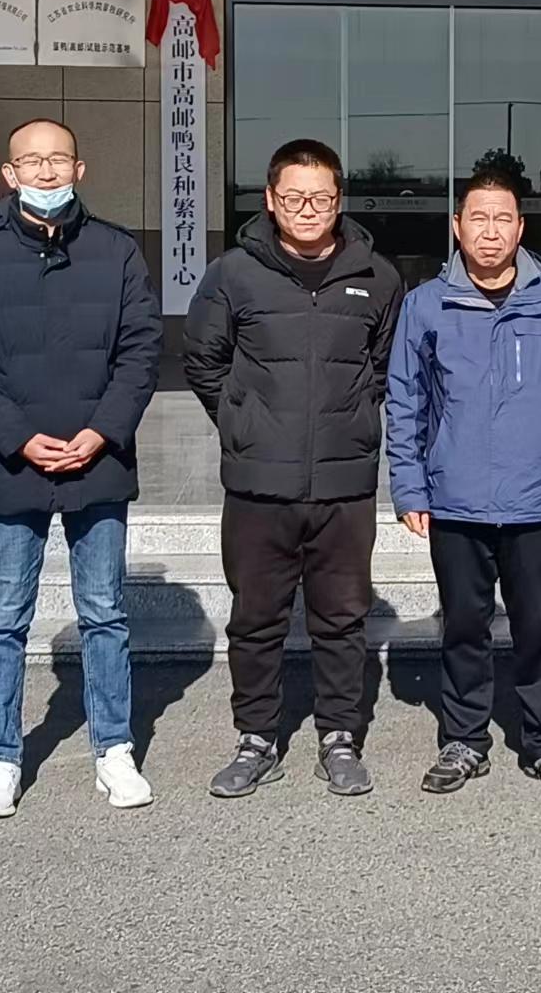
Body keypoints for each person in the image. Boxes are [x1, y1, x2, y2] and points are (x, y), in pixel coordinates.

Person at [0, 118, 162, 819]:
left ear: (79, 168)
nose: (45, 172)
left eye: (57, 159)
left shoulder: (116, 251)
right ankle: (1, 759)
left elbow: (140, 350)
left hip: (99, 459)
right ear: (9, 175)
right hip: (15, 462)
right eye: (30, 162)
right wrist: (18, 436)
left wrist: (101, 431)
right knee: (5, 618)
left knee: (104, 613)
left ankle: (114, 750)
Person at [184, 139, 402, 799]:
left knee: (342, 618)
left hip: (344, 486)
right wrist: (244, 423)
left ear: (340, 201)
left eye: (321, 198)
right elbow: (203, 361)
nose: (308, 209)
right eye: (295, 197)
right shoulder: (233, 275)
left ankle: (340, 738)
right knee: (256, 619)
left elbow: (384, 368)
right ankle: (256, 739)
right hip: (259, 484)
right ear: (271, 200)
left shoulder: (378, 277)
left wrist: (353, 420)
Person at [386, 165, 541, 797]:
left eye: (502, 218)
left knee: (539, 629)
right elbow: (405, 400)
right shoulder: (427, 304)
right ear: (457, 226)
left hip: (535, 499)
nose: (489, 230)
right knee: (463, 627)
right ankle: (464, 740)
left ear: (520, 227)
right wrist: (409, 486)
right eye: (477, 218)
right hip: (455, 498)